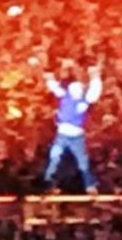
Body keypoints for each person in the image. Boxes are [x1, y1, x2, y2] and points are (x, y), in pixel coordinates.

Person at [42, 63, 102, 193]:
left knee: (82, 161)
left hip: (77, 136)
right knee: (54, 157)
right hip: (62, 135)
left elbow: (94, 91)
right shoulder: (65, 97)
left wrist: (95, 76)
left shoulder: (84, 100)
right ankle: (48, 184)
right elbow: (53, 86)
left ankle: (89, 185)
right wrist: (48, 75)